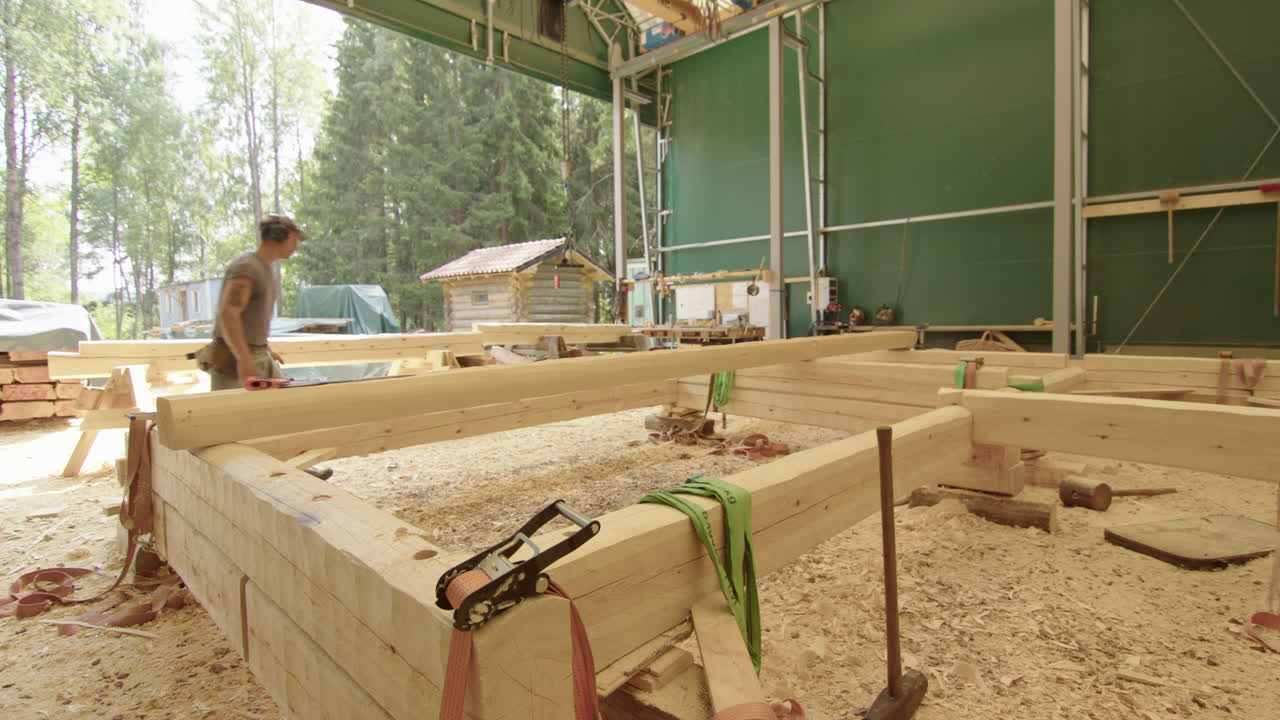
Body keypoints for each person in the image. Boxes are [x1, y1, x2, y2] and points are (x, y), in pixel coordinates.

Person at [195, 215, 302, 391]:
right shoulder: (246, 268)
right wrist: (244, 360)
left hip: (256, 353)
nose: (296, 248)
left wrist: (264, 349)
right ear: (280, 237)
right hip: (235, 359)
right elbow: (228, 313)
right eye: (294, 241)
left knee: (283, 405)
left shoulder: (264, 269)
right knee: (238, 415)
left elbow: (250, 320)